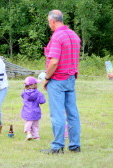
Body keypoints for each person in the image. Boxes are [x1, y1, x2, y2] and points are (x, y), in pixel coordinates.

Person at [40, 10, 81, 154]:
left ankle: (57, 146)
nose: (49, 25)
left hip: (57, 79)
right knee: (72, 113)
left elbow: (54, 62)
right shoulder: (74, 35)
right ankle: (75, 145)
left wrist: (46, 78)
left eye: (48, 22)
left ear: (52, 21)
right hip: (70, 78)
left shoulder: (57, 36)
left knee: (57, 114)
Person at [21, 76, 46, 141]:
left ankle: (28, 134)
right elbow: (42, 101)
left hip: (27, 111)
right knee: (35, 125)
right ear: (34, 85)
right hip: (36, 111)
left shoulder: (24, 93)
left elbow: (22, 96)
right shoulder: (38, 93)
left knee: (28, 123)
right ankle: (36, 137)